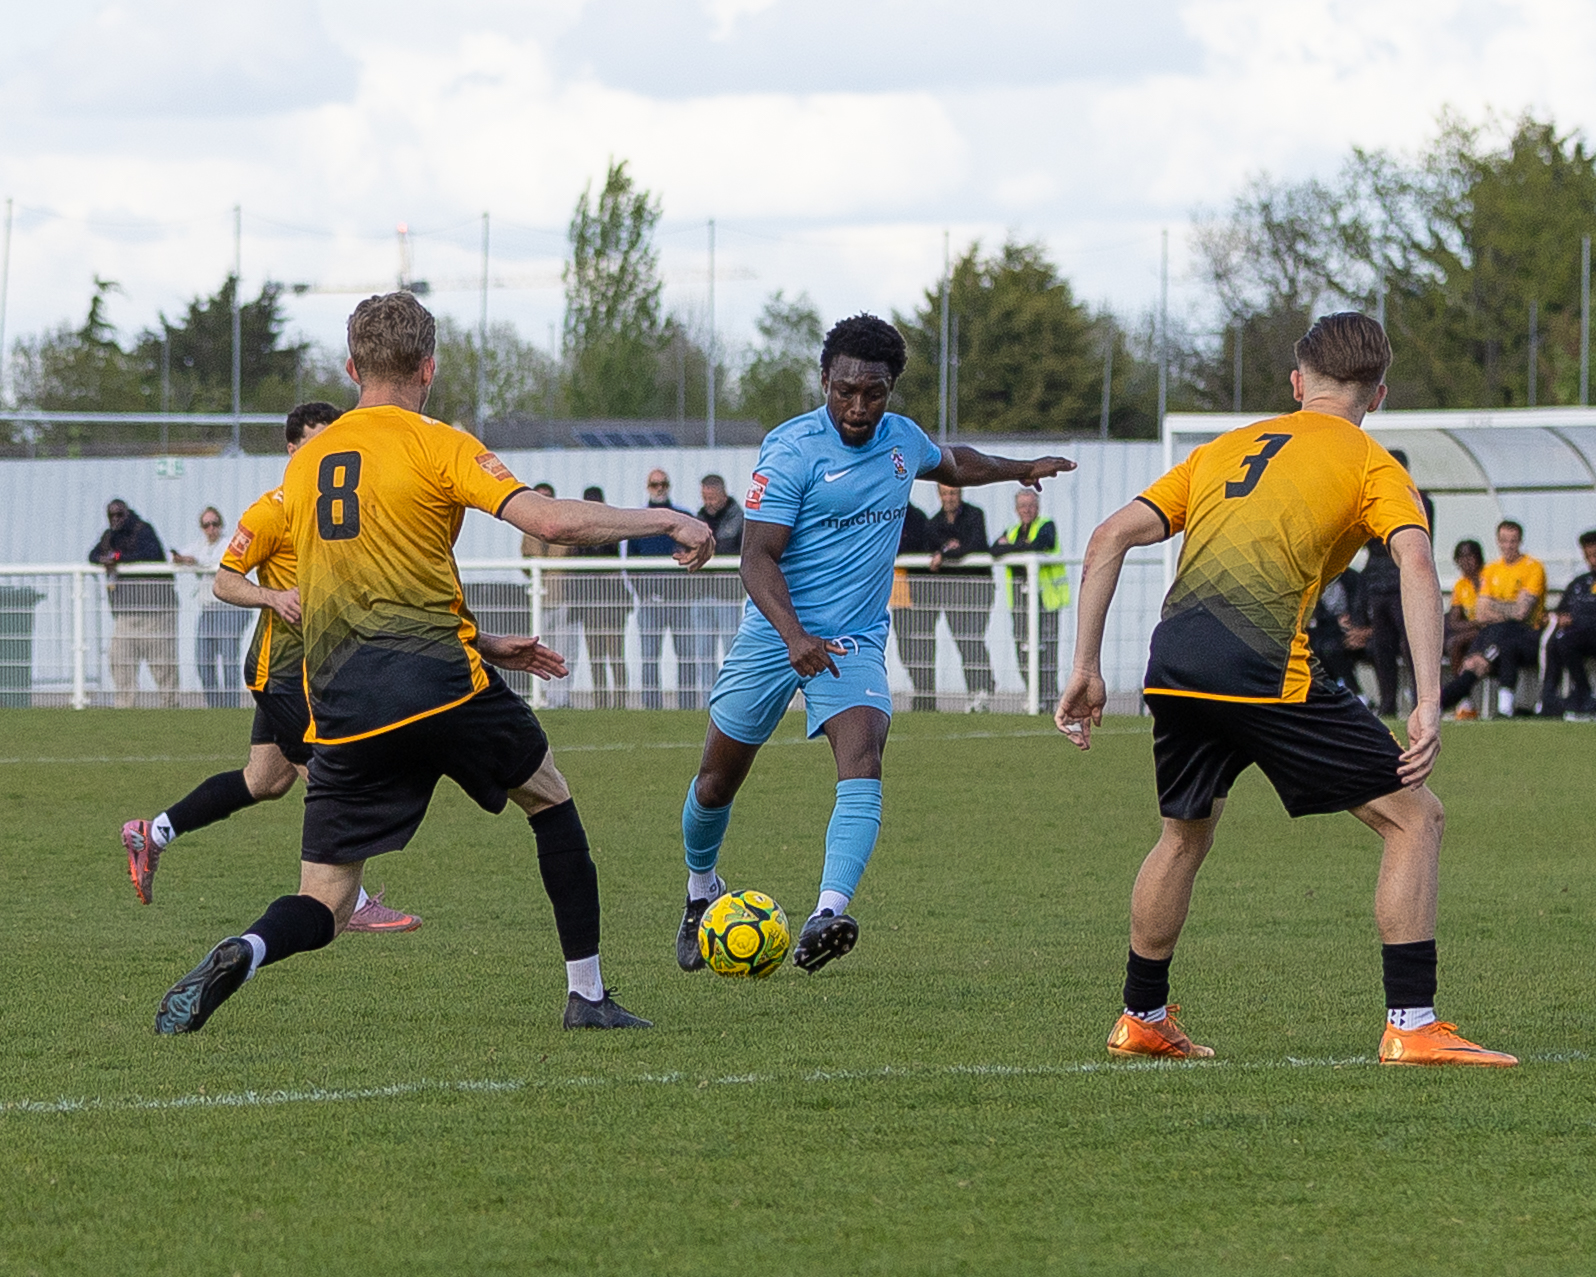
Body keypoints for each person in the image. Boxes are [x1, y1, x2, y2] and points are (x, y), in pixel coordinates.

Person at [153, 292, 713, 1036]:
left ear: (351, 368)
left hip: (343, 707)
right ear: (429, 368)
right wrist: (667, 517)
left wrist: (488, 642)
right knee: (550, 800)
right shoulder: (438, 443)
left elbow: (362, 587)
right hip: (440, 686)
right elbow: (548, 520)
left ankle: (248, 950)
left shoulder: (306, 463)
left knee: (325, 899)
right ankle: (586, 993)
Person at [1056, 311, 1514, 1067]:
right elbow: (1415, 563)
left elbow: (1109, 536)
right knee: (1414, 818)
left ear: (1298, 384)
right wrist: (1430, 699)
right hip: (1263, 665)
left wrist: (1085, 666)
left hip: (1174, 660)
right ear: (1379, 395)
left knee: (1183, 833)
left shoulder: (1221, 449)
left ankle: (1141, 1016)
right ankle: (1412, 1023)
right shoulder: (1375, 466)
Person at [673, 313, 1073, 975]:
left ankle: (826, 914)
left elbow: (955, 461)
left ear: (891, 389)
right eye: (846, 391)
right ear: (824, 380)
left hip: (853, 641)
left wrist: (1021, 468)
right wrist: (794, 636)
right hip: (776, 633)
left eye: (874, 393)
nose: (858, 407)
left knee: (864, 754)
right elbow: (756, 558)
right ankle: (699, 890)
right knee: (716, 782)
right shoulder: (791, 450)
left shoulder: (901, 440)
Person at [120, 404, 422, 932]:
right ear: (292, 449)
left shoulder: (341, 511)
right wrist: (272, 596)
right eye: (315, 442)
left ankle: (154, 832)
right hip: (281, 674)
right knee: (330, 777)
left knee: (264, 780)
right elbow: (224, 580)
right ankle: (351, 901)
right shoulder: (271, 511)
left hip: (314, 670)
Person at [1439, 520, 1545, 719]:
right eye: (1504, 541)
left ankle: (1442, 702)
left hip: (1526, 633)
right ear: (1498, 541)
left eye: (1513, 541)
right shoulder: (1491, 569)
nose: (1508, 546)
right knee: (1482, 655)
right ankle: (1501, 707)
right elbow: (1481, 613)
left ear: (1520, 541)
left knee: (1488, 655)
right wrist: (1509, 607)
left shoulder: (1533, 567)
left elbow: (1522, 613)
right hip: (1495, 632)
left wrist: (1494, 605)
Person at [1359, 448, 1435, 716]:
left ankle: (1420, 701)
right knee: (1382, 646)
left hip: (1402, 581)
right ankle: (1388, 702)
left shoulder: (1418, 500)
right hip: (1378, 584)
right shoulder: (1376, 500)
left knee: (1411, 644)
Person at [90, 500, 178, 709]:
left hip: (155, 612)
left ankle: (170, 707)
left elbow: (150, 554)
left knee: (162, 663)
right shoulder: (109, 536)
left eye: (119, 514)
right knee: (119, 660)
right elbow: (93, 555)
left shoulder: (143, 530)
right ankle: (124, 707)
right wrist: (107, 558)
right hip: (125, 613)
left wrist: (118, 558)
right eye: (111, 515)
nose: (116, 519)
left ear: (127, 513)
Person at [990, 487, 1069, 706]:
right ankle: (1034, 695)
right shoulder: (1012, 529)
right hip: (1020, 601)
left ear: (1038, 507)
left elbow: (1041, 544)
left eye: (1031, 505)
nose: (1027, 510)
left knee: (1047, 651)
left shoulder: (1047, 525)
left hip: (1046, 599)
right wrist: (1021, 547)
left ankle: (1048, 699)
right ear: (1016, 509)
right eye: (1023, 506)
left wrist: (1011, 548)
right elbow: (994, 549)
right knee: (1022, 650)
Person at [628, 470, 697, 709]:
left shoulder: (684, 517)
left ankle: (688, 705)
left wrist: (687, 591)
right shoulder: (639, 521)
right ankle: (651, 706)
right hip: (651, 601)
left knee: (687, 656)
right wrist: (643, 593)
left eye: (663, 484)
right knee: (649, 657)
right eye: (655, 484)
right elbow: (631, 563)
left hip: (681, 601)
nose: (659, 488)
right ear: (648, 487)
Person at [925, 484, 996, 710]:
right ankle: (976, 690)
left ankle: (984, 687)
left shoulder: (975, 514)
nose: (950, 497)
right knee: (962, 640)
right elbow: (931, 546)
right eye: (945, 493)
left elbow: (976, 544)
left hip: (978, 588)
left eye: (953, 493)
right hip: (952, 592)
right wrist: (949, 549)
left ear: (960, 493)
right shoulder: (934, 522)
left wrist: (946, 551)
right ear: (939, 495)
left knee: (973, 636)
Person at [173, 505, 249, 708]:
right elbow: (180, 556)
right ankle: (214, 706)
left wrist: (195, 562)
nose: (211, 529)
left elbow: (223, 563)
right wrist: (182, 559)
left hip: (230, 608)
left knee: (228, 658)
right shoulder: (199, 545)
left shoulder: (228, 544)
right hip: (208, 608)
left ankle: (231, 706)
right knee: (203, 659)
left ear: (221, 525)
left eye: (215, 524)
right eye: (206, 525)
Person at [567, 486, 631, 709]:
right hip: (588, 603)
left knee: (615, 655)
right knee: (595, 656)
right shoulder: (576, 534)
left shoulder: (612, 529)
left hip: (612, 602)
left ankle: (620, 702)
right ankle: (601, 702)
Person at [522, 482, 579, 709]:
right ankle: (541, 695)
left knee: (563, 650)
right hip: (539, 600)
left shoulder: (564, 528)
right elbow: (525, 562)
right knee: (539, 650)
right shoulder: (527, 530)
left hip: (562, 598)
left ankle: (561, 699)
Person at [691, 473, 746, 690]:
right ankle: (708, 698)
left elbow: (741, 552)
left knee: (731, 652)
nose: (709, 503)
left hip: (728, 595)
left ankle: (731, 695)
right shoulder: (698, 519)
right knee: (703, 654)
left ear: (723, 494)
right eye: (705, 498)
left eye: (712, 497)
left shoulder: (739, 519)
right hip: (702, 594)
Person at [1537, 529, 1596, 717]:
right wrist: (1555, 618)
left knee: (1565, 640)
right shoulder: (1579, 583)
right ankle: (1549, 697)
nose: (1592, 560)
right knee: (1555, 640)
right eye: (1588, 556)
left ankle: (1584, 691)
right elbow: (1561, 610)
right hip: (1577, 636)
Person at [891, 500, 936, 711]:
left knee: (922, 648)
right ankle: (920, 690)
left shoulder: (916, 517)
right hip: (899, 595)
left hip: (918, 594)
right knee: (905, 648)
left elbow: (918, 545)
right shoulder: (884, 511)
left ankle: (926, 695)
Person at [1306, 566, 1370, 692]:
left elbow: (1360, 605)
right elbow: (1317, 618)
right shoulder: (1311, 584)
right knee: (1321, 648)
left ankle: (1354, 692)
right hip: (1329, 632)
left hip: (1357, 629)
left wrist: (1356, 625)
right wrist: (1336, 621)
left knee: (1331, 648)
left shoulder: (1352, 577)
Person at [1444, 539, 1486, 682]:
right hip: (1475, 626)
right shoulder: (1460, 585)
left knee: (1456, 642)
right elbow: (1454, 622)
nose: (1465, 562)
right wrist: (1477, 623)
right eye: (1461, 558)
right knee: (1451, 642)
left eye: (1469, 556)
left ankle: (1460, 687)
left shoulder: (1488, 577)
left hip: (1491, 627)